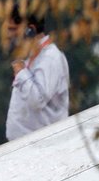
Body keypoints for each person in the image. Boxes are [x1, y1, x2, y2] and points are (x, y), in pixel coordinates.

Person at [5, 10, 70, 141]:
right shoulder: (33, 57)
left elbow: (37, 100)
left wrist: (21, 72)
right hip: (26, 145)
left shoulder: (50, 58)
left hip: (44, 144)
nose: (8, 35)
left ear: (30, 30)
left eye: (13, 30)